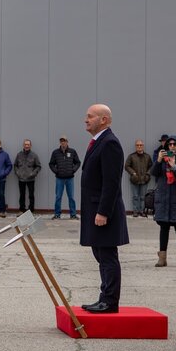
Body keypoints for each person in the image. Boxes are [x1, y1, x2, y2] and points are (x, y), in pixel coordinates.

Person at [79, 104, 128, 314]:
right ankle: (104, 297)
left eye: (90, 116)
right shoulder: (99, 142)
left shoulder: (109, 143)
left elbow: (111, 182)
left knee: (107, 256)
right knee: (100, 254)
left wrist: (103, 212)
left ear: (103, 120)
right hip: (95, 210)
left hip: (104, 213)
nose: (86, 119)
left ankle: (109, 301)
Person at [151, 135, 176, 267]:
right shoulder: (162, 159)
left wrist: (174, 166)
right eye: (170, 144)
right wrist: (158, 160)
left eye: (175, 144)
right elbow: (153, 173)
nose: (172, 146)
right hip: (163, 198)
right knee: (164, 228)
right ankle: (162, 258)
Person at [49, 136, 82, 220]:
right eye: (61, 141)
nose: (63, 143)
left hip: (70, 178)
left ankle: (73, 214)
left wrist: (73, 170)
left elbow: (78, 162)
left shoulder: (72, 151)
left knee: (71, 197)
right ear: (60, 143)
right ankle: (57, 214)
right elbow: (51, 164)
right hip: (59, 178)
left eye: (64, 141)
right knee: (58, 197)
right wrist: (56, 171)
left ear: (67, 142)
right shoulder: (55, 152)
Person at [124, 141, 153, 217]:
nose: (139, 146)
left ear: (143, 146)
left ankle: (142, 211)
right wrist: (133, 173)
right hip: (135, 179)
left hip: (144, 179)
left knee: (143, 197)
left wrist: (147, 174)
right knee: (135, 197)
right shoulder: (131, 156)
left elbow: (151, 166)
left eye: (141, 145)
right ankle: (135, 211)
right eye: (137, 145)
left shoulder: (147, 156)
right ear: (135, 146)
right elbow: (127, 166)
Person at [13, 140, 40, 213]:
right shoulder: (19, 155)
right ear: (23, 145)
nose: (27, 146)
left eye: (28, 144)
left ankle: (31, 210)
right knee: (22, 195)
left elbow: (38, 166)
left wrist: (33, 174)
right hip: (21, 179)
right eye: (25, 144)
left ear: (30, 146)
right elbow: (15, 165)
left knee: (31, 195)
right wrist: (18, 173)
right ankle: (22, 210)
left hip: (31, 179)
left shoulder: (34, 155)